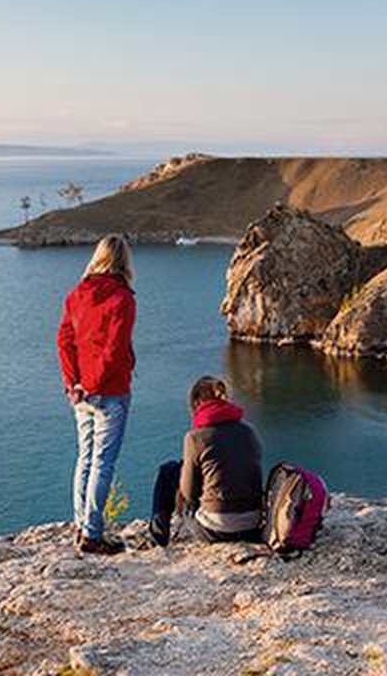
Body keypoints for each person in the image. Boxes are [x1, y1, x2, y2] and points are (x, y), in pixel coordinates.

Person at [57, 234, 137, 555]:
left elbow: (64, 341)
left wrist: (73, 383)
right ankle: (91, 534)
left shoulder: (77, 294)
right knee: (103, 463)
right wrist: (93, 383)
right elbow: (115, 351)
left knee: (85, 458)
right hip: (110, 391)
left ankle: (81, 524)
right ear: (124, 261)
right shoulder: (123, 299)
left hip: (81, 395)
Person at [150, 376, 263, 547]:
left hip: (216, 530)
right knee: (188, 466)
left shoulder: (195, 438)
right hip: (252, 525)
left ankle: (158, 538)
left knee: (168, 471)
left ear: (196, 403)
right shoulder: (249, 431)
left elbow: (189, 494)